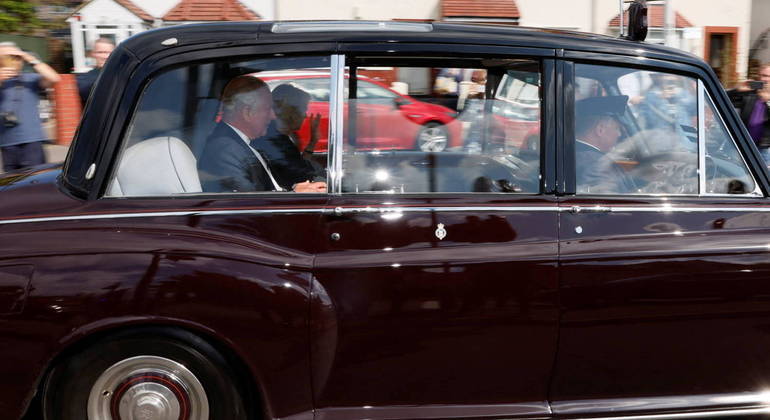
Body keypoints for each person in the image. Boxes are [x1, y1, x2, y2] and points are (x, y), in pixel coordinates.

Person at [198, 75, 326, 193]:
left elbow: (264, 190)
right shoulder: (225, 149)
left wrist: (294, 189)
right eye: (267, 108)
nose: (273, 115)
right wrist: (294, 194)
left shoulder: (242, 142)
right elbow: (247, 204)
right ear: (247, 112)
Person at [0, 42, 60, 172]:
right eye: (6, 57)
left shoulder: (30, 79)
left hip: (32, 141)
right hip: (7, 143)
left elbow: (54, 78)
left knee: (35, 183)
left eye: (15, 57)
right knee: (13, 187)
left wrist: (29, 58)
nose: (12, 60)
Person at [255, 83, 324, 190]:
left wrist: (313, 142)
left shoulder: (283, 137)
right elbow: (298, 175)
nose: (305, 115)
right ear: (290, 110)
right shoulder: (273, 140)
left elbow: (298, 164)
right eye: (304, 109)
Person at [574, 95, 635, 194]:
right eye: (617, 128)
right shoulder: (597, 165)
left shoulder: (572, 153)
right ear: (600, 129)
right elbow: (617, 204)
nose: (619, 134)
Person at [727, 62, 770, 162]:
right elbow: (722, 100)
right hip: (742, 146)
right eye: (761, 75)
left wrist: (767, 101)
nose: (763, 79)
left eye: (766, 76)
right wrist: (737, 90)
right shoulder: (750, 93)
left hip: (762, 150)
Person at [76, 37, 115, 105]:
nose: (104, 56)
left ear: (115, 54)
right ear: (92, 54)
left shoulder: (124, 75)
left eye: (108, 52)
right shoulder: (83, 80)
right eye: (100, 52)